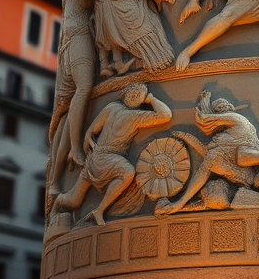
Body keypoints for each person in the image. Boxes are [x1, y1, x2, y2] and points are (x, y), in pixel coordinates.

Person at [50, 82, 171, 226]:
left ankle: (57, 205)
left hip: (95, 159)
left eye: (139, 95)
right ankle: (100, 210)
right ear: (125, 93)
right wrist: (151, 98)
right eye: (132, 92)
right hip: (105, 158)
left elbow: (90, 133)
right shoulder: (133, 116)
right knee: (127, 172)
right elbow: (165, 115)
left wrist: (89, 149)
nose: (134, 95)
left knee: (74, 200)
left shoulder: (112, 108)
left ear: (141, 101)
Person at [47, 0, 98, 210]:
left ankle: (55, 182)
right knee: (85, 87)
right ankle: (76, 148)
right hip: (77, 35)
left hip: (69, 38)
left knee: (66, 115)